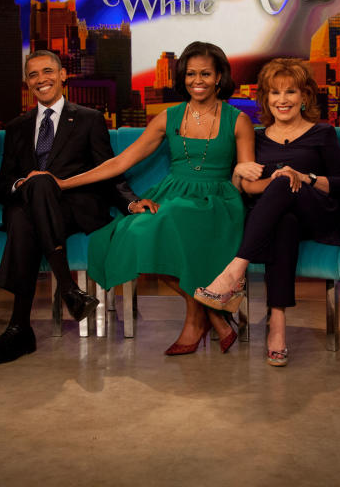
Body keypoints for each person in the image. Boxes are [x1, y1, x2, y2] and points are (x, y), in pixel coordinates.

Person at [54, 41, 256, 355]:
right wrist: (64, 183)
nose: (197, 80)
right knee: (137, 232)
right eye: (190, 74)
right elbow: (119, 163)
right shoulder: (167, 118)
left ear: (219, 77)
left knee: (169, 219)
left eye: (205, 73)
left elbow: (245, 173)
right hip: (173, 194)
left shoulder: (238, 120)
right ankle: (208, 309)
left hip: (218, 201)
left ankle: (196, 320)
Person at [0, 50, 141, 365]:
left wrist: (130, 202)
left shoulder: (89, 119)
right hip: (30, 208)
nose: (41, 79)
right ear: (26, 82)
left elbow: (109, 171)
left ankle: (20, 328)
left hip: (74, 208)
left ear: (63, 75)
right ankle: (67, 292)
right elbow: (4, 184)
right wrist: (23, 185)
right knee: (28, 204)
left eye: (48, 71)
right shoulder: (17, 127)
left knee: (35, 196)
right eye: (33, 74)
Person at [193, 58, 340, 366]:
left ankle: (233, 273)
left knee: (283, 180)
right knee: (284, 219)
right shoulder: (257, 137)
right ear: (265, 99)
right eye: (274, 93)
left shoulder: (323, 133)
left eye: (290, 92)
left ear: (304, 96)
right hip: (280, 217)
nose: (282, 100)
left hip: (319, 213)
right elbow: (247, 186)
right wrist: (239, 172)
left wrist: (307, 178)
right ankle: (277, 325)